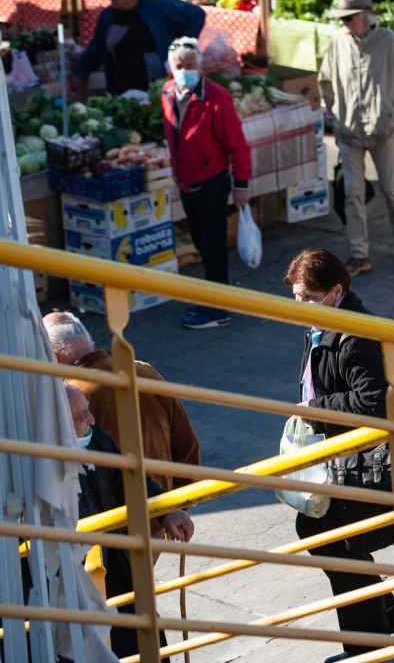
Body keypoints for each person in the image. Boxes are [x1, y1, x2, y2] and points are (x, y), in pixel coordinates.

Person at [284, 248, 394, 663]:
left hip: (374, 466)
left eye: (307, 297)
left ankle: (368, 645)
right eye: (296, 297)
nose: (299, 305)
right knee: (321, 535)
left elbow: (375, 402)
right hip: (348, 460)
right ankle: (385, 614)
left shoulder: (354, 337)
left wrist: (313, 411)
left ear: (335, 292)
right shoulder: (324, 324)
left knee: (337, 543)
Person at [66, 384, 194, 661]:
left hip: (110, 566)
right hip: (64, 584)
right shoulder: (26, 463)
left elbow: (125, 476)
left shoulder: (91, 437)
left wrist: (165, 511)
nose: (92, 420)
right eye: (82, 416)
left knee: (146, 643)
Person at [319, 0, 394, 276]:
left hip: (384, 129)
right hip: (348, 131)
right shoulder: (338, 41)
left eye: (349, 18)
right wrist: (333, 116)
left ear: (365, 16)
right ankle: (359, 253)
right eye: (341, 18)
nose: (344, 23)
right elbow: (325, 81)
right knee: (352, 192)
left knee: (390, 188)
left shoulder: (389, 42)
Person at [44, 312, 201, 494]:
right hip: (164, 504)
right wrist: (178, 503)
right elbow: (187, 446)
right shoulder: (143, 371)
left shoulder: (73, 397)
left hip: (116, 511)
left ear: (53, 357)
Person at [162, 36, 252, 330]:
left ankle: (219, 309)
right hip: (186, 182)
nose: (184, 70)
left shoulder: (216, 96)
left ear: (200, 66)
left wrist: (241, 183)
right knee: (201, 242)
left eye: (190, 65)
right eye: (179, 66)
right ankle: (213, 297)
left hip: (211, 182)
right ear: (170, 67)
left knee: (213, 246)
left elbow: (236, 143)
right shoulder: (168, 92)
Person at [71, 0, 205, 95]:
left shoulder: (156, 5)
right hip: (122, 85)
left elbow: (196, 14)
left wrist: (182, 46)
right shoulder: (109, 15)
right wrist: (81, 74)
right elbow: (96, 47)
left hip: (157, 85)